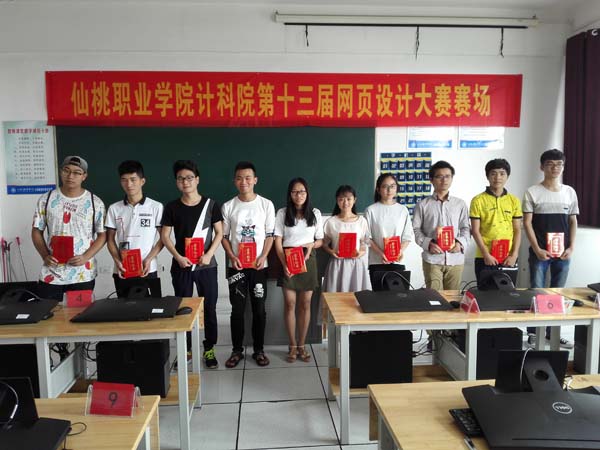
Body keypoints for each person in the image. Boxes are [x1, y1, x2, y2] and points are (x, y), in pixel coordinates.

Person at [161, 160, 224, 369]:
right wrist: (178, 256)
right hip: (182, 266)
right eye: (180, 179)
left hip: (206, 266)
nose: (185, 182)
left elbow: (220, 232)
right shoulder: (172, 207)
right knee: (183, 309)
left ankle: (209, 348)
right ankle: (185, 349)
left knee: (210, 307)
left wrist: (209, 254)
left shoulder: (211, 205)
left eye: (189, 178)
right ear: (176, 182)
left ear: (197, 180)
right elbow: (165, 236)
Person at [221, 161, 275, 368]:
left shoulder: (266, 205)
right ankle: (237, 350)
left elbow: (270, 235)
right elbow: (224, 237)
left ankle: (259, 350)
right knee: (237, 310)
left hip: (259, 266)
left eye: (247, 178)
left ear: (255, 180)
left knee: (259, 309)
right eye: (239, 178)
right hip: (237, 267)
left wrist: (263, 256)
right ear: (234, 181)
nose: (243, 182)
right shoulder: (228, 206)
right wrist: (231, 256)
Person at [523, 149, 578, 349]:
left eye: (559, 164)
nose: (555, 168)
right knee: (537, 292)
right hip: (540, 252)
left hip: (563, 253)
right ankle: (533, 333)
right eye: (550, 164)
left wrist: (571, 247)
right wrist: (537, 248)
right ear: (542, 167)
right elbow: (527, 223)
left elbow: (572, 221)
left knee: (557, 293)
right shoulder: (532, 192)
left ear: (563, 167)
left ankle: (553, 333)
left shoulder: (569, 192)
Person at [31, 155, 106, 300]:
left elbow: (102, 235)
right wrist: (45, 255)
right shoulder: (46, 199)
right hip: (52, 272)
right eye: (66, 170)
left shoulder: (95, 202)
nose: (70, 176)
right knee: (48, 312)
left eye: (77, 172)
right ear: (61, 172)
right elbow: (36, 231)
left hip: (82, 273)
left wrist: (86, 257)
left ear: (84, 176)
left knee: (79, 312)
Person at [274, 178, 323, 363]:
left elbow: (320, 240)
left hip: (308, 260)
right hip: (288, 258)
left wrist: (310, 245)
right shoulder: (282, 213)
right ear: (290, 194)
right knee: (290, 303)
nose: (298, 195)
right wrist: (284, 263)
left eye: (302, 191)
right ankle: (292, 345)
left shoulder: (315, 213)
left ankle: (302, 345)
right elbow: (278, 240)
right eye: (294, 192)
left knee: (305, 304)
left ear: (307, 193)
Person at [105, 160, 164, 291]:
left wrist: (149, 259)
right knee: (124, 304)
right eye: (124, 180)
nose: (129, 184)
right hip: (123, 269)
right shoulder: (114, 208)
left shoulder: (156, 207)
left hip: (147, 268)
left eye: (133, 179)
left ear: (142, 181)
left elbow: (163, 238)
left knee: (151, 304)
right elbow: (110, 240)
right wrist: (117, 261)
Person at [412, 160, 470, 291]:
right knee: (435, 297)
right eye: (439, 176)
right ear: (431, 180)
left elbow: (465, 228)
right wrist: (428, 244)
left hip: (455, 259)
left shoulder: (460, 204)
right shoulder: (422, 205)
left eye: (448, 176)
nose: (444, 180)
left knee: (453, 297)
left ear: (452, 178)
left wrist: (460, 244)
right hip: (432, 259)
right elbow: (416, 229)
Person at [469, 159, 522, 284]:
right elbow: (475, 231)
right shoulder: (478, 200)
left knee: (507, 292)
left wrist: (514, 255)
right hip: (484, 257)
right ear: (487, 176)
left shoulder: (514, 201)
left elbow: (517, 230)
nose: (498, 177)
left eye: (502, 173)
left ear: (507, 176)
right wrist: (486, 254)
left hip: (508, 257)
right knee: (485, 292)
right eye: (493, 173)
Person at [364, 173, 414, 282]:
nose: (389, 190)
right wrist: (381, 253)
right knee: (379, 293)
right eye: (385, 186)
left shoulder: (403, 210)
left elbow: (407, 236)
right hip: (377, 262)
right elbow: (367, 237)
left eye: (392, 186)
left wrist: (399, 251)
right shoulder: (370, 210)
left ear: (396, 188)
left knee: (399, 292)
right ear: (378, 189)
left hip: (398, 261)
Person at [322, 185, 371, 292]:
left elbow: (364, 243)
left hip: (356, 264)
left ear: (354, 200)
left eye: (349, 199)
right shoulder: (331, 222)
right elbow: (324, 244)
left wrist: (360, 253)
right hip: (337, 264)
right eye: (341, 199)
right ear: (337, 201)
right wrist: (332, 252)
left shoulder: (361, 221)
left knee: (356, 297)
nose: (345, 203)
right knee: (335, 297)